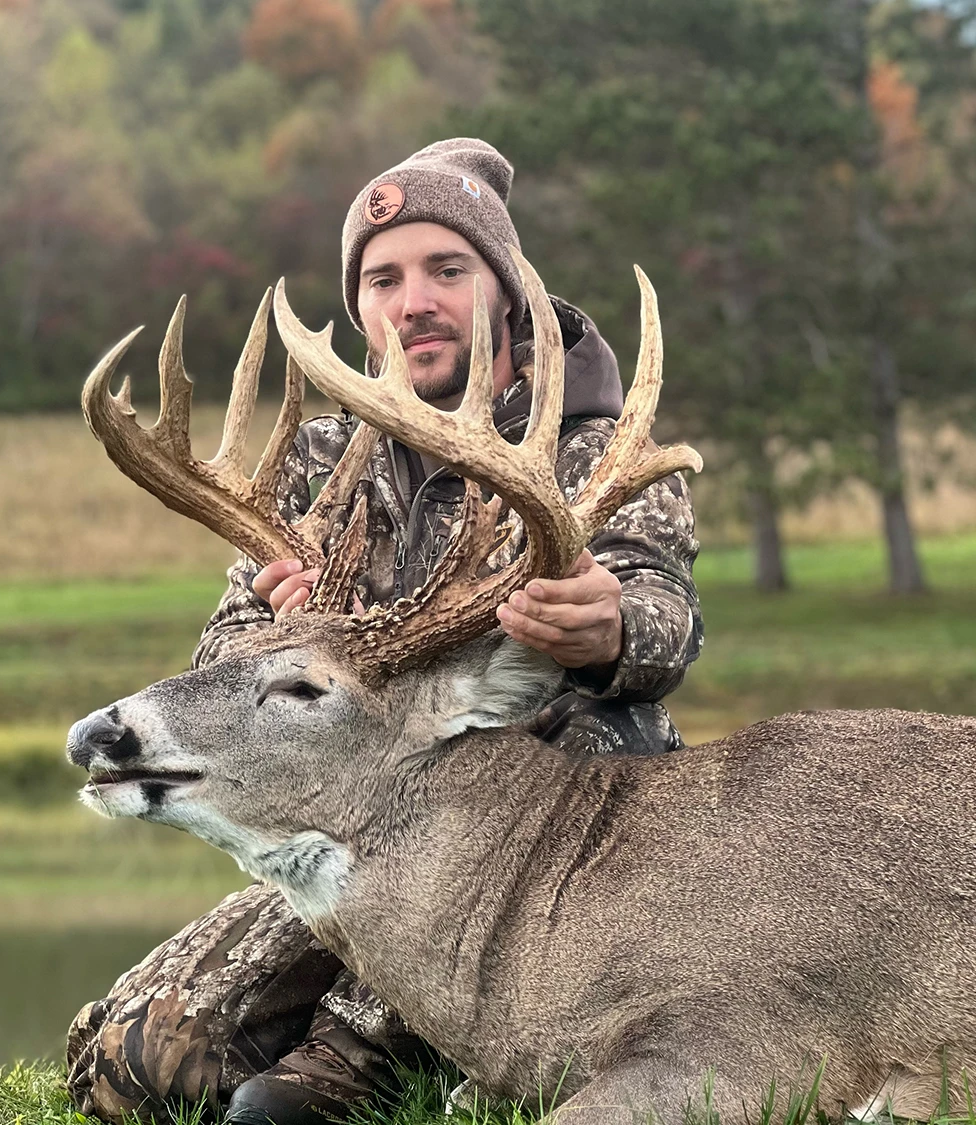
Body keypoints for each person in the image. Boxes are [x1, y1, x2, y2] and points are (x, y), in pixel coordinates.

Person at [65, 139, 704, 1124]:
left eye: (446, 269)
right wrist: (274, 629)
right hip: (353, 814)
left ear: (503, 285)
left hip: (546, 830)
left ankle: (366, 1055)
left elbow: (665, 618)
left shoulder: (592, 444)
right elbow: (222, 655)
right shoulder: (319, 458)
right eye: (383, 277)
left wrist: (608, 626)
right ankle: (393, 1046)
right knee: (143, 1063)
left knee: (597, 743)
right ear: (359, 308)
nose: (414, 301)